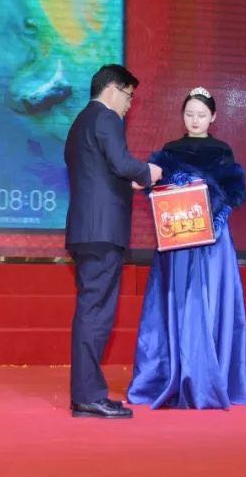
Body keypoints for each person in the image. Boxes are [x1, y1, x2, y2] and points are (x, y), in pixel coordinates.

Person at [127, 87, 246, 409]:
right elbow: (154, 190)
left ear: (213, 117)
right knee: (178, 301)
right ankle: (175, 374)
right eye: (189, 114)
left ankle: (209, 377)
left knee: (208, 301)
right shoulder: (170, 151)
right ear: (182, 116)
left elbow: (234, 194)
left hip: (213, 240)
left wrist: (212, 214)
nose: (195, 120)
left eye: (201, 115)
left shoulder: (221, 150)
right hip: (178, 240)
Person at [65, 64, 162, 419]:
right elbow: (121, 162)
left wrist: (126, 181)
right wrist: (148, 173)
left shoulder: (80, 122)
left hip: (86, 230)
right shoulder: (106, 118)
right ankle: (88, 397)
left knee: (91, 310)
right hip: (102, 232)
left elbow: (99, 170)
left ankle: (87, 393)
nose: (129, 105)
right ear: (113, 89)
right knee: (96, 313)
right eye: (129, 97)